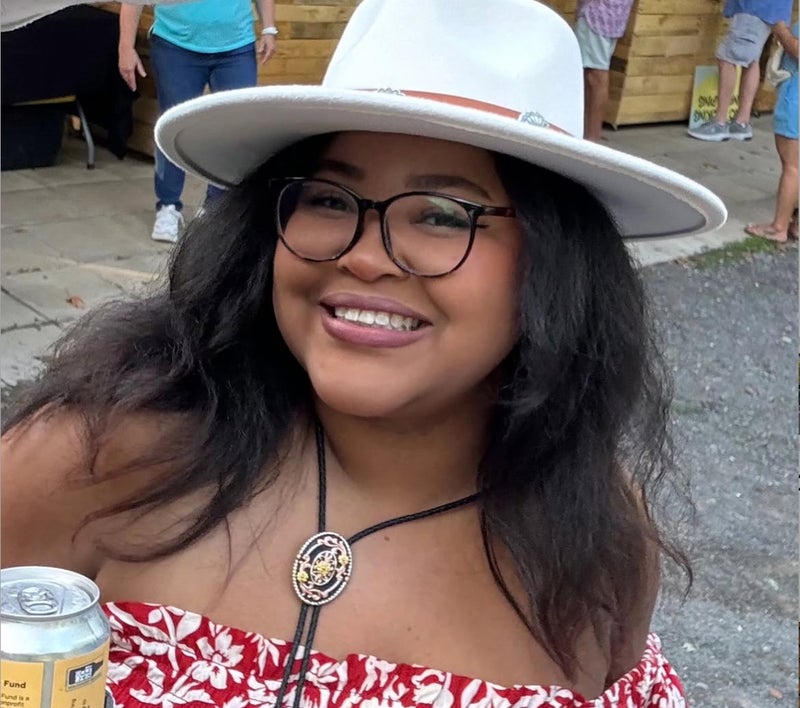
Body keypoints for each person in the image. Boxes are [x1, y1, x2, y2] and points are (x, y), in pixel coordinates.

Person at [2, 1, 726, 705]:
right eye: (328, 199)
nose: (366, 256)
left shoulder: (592, 533)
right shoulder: (98, 455)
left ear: (554, 263)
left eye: (441, 215)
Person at [117, 0, 277, 243]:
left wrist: (269, 28)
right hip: (175, 46)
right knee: (173, 128)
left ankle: (216, 207)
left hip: (236, 47)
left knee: (233, 131)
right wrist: (125, 47)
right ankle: (168, 206)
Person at [689, 0, 794, 142]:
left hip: (754, 7)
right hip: (770, 9)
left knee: (727, 57)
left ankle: (719, 123)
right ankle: (741, 123)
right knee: (752, 60)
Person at [745, 21, 799, 242]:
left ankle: (779, 227)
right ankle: (795, 223)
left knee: (792, 166)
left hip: (795, 98)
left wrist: (779, 28)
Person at [574, 0, 635, 142]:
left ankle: (591, 138)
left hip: (597, 13)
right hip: (611, 14)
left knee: (595, 76)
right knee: (594, 73)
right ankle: (589, 133)